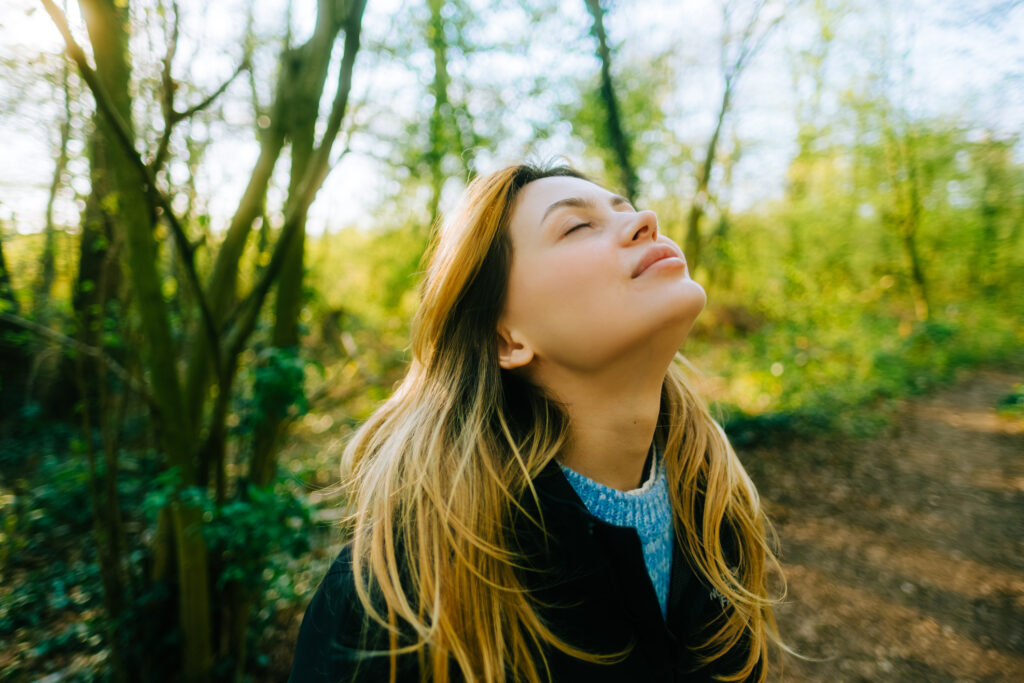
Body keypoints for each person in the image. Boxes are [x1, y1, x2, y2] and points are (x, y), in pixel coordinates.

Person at [288, 163, 785, 682]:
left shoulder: (717, 516)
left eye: (626, 208)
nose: (646, 220)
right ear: (508, 341)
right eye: (576, 226)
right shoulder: (396, 595)